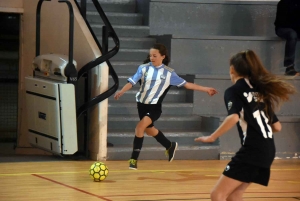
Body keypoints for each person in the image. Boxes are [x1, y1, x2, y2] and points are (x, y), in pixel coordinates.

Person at [195, 50, 296, 201]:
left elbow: (233, 117)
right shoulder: (260, 91)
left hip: (253, 150)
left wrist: (212, 137)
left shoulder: (234, 91)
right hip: (268, 150)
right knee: (235, 196)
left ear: (232, 69)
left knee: (217, 195)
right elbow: (277, 127)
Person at [114, 43, 218, 170]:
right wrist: (121, 91)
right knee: (149, 129)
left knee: (140, 127)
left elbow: (187, 85)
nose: (152, 58)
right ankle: (169, 145)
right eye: (150, 55)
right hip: (141, 105)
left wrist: (205, 89)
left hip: (155, 107)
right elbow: (131, 82)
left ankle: (133, 160)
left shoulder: (169, 74)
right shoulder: (143, 68)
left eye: (155, 56)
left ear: (162, 56)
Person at [274, 0, 300, 76]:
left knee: (293, 34)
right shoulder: (283, 3)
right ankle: (289, 67)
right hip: (283, 28)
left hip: (296, 29)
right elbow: (282, 22)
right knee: (292, 34)